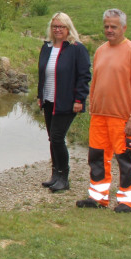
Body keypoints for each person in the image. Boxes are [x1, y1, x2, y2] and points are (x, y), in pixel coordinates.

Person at [78, 8, 131, 212]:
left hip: (122, 118)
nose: (109, 30)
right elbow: (96, 82)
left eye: (114, 27)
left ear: (124, 28)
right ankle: (98, 197)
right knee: (97, 158)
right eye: (106, 26)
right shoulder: (101, 50)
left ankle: (127, 201)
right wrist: (92, 107)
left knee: (125, 159)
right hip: (99, 115)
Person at [36, 12, 91, 193]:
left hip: (66, 101)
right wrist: (39, 95)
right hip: (49, 99)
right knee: (52, 138)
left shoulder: (76, 49)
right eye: (55, 27)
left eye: (61, 27)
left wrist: (79, 99)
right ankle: (55, 174)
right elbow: (42, 74)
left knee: (58, 138)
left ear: (68, 28)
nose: (58, 30)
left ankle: (64, 177)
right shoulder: (47, 47)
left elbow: (84, 76)